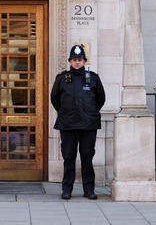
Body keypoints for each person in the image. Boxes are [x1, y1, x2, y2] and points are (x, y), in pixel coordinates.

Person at [50, 44, 106, 200]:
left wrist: (90, 113)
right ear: (70, 61)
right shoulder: (62, 78)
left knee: (87, 157)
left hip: (88, 124)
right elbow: (55, 99)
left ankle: (89, 189)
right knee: (69, 157)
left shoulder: (93, 78)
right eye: (74, 59)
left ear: (84, 61)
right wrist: (65, 112)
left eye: (79, 59)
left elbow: (100, 99)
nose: (77, 62)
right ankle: (67, 189)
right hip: (68, 124)